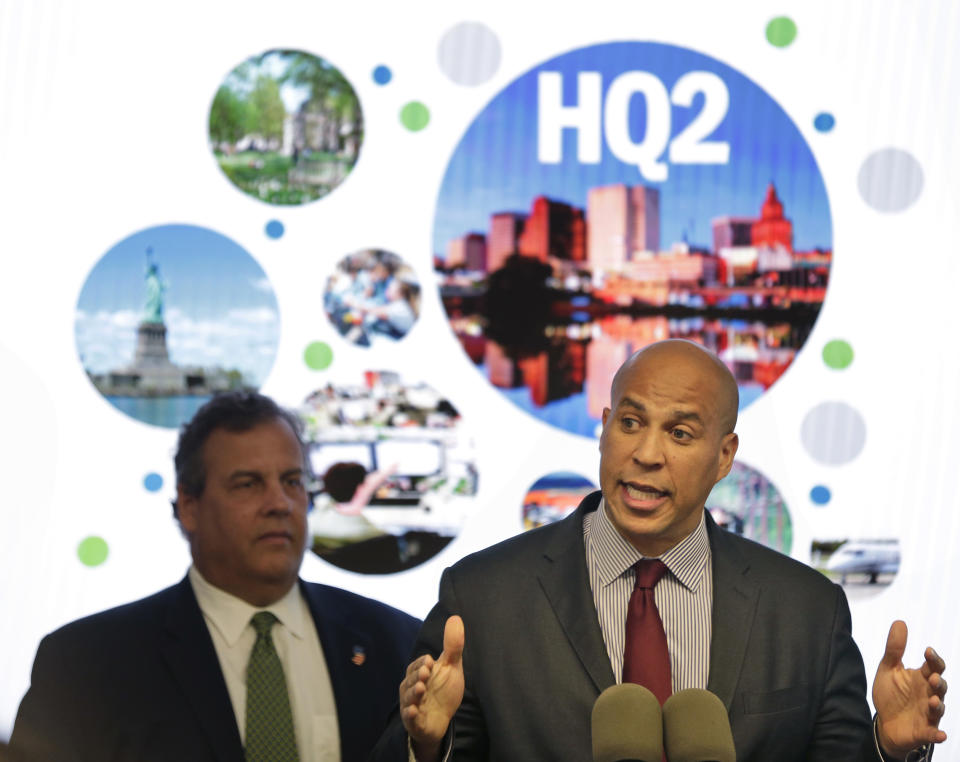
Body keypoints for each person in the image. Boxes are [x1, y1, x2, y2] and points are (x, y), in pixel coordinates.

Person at [371, 340, 948, 761]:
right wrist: (425, 744)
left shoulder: (806, 611)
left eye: (680, 433)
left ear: (724, 457)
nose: (646, 453)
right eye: (630, 422)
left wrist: (887, 750)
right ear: (603, 430)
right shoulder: (483, 596)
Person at [10, 391, 420, 762]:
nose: (279, 503)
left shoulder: (397, 644)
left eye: (292, 481)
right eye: (248, 484)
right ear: (189, 505)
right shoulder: (86, 666)